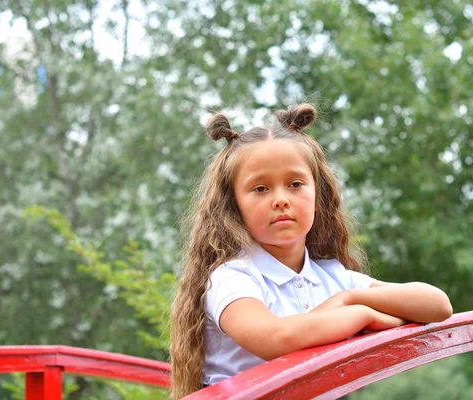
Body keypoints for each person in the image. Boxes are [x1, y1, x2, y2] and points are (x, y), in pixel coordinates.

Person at [170, 104, 452, 398]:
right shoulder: (234, 278)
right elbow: (276, 339)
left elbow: (437, 305)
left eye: (295, 184)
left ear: (317, 196)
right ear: (234, 207)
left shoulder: (332, 277)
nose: (280, 199)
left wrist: (350, 297)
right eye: (260, 189)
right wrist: (361, 316)